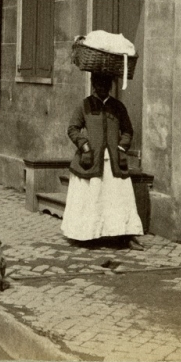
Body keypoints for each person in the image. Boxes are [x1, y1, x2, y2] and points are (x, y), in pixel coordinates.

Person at [61, 72, 144, 249]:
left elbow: (128, 131)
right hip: (91, 160)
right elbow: (72, 129)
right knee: (91, 197)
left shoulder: (118, 107)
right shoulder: (85, 106)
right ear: (93, 84)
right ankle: (86, 235)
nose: (102, 88)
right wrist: (84, 145)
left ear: (110, 86)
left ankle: (122, 236)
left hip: (113, 162)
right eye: (98, 84)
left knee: (117, 198)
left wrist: (121, 147)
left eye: (106, 85)